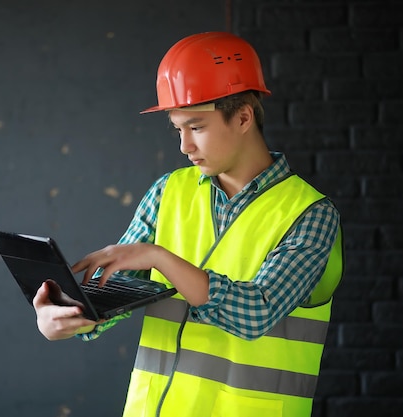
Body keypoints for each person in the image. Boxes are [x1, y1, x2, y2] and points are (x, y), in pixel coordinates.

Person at [32, 31, 344, 417]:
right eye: (178, 129)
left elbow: (257, 313)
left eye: (196, 127)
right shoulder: (168, 192)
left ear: (244, 117)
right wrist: (72, 318)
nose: (184, 146)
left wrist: (160, 257)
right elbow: (121, 290)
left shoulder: (310, 213)